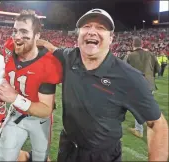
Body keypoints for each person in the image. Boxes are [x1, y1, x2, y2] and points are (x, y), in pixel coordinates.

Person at [36, 8, 168, 162]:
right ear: (78, 35)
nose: (92, 31)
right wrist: (34, 41)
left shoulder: (129, 77)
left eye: (101, 27)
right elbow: (52, 49)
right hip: (67, 148)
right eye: (86, 26)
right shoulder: (70, 56)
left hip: (102, 156)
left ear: (111, 38)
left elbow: (158, 125)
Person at [0, 10, 62, 161]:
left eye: (24, 31)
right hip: (16, 114)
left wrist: (15, 98)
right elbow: (8, 74)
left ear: (37, 36)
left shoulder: (49, 64)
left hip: (39, 119)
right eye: (15, 31)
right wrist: (0, 89)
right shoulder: (9, 47)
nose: (17, 36)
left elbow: (45, 109)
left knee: (40, 157)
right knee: (6, 156)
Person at [126, 37, 160, 138]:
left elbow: (124, 70)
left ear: (133, 45)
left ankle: (138, 130)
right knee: (148, 105)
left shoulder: (130, 56)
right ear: (142, 44)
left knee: (138, 107)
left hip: (137, 85)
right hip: (149, 84)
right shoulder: (150, 54)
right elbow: (158, 68)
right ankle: (152, 125)